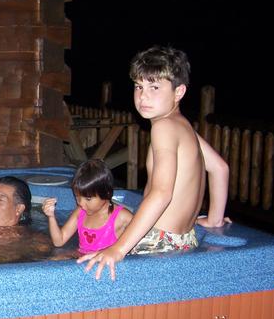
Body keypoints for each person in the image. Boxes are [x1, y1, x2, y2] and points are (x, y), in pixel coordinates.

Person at [77, 45, 230, 280]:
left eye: (154, 87)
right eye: (139, 86)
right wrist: (214, 219)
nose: (143, 96)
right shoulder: (183, 125)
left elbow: (161, 193)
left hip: (160, 240)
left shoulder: (164, 127)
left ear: (179, 92)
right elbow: (220, 168)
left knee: (77, 256)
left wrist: (118, 249)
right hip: (185, 237)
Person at [42, 159, 133, 255]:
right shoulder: (80, 212)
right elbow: (59, 241)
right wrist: (51, 216)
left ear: (106, 193)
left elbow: (143, 242)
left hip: (105, 264)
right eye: (77, 197)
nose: (81, 203)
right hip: (82, 260)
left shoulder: (122, 217)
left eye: (88, 199)